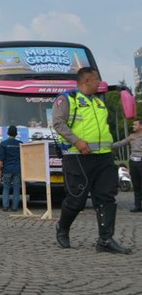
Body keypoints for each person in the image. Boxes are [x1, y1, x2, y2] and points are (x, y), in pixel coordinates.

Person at [52, 67, 131, 254]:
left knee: (106, 197)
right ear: (86, 81)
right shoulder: (67, 99)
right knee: (77, 199)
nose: (99, 83)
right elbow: (58, 123)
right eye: (96, 80)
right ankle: (62, 228)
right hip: (78, 157)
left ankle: (105, 239)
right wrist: (76, 141)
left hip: (103, 157)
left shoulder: (98, 103)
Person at [113, 119, 142, 212]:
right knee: (136, 185)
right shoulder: (132, 136)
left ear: (141, 126)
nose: (133, 126)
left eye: (135, 125)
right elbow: (121, 143)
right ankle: (137, 205)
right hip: (133, 162)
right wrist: (107, 146)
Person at [0, 125, 23, 212]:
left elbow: (1, 160)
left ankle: (5, 206)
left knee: (6, 187)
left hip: (7, 169)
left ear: (8, 133)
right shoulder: (20, 144)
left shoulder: (3, 144)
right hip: (17, 169)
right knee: (16, 188)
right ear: (16, 134)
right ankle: (15, 207)